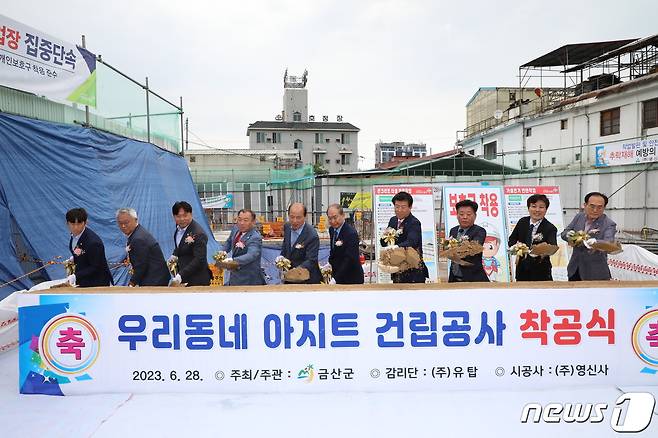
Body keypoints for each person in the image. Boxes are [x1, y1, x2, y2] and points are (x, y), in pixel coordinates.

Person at [561, 192, 617, 281]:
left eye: (599, 207)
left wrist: (595, 242)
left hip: (595, 272)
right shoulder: (579, 216)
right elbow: (564, 233)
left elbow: (609, 243)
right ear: (585, 205)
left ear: (604, 208)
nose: (595, 210)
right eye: (592, 206)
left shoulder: (609, 224)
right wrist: (569, 235)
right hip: (574, 268)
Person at [508, 194, 558, 281]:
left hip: (541, 271)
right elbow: (511, 240)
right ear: (528, 208)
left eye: (541, 207)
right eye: (533, 206)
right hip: (521, 270)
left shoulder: (550, 228)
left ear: (546, 209)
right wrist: (517, 247)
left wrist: (540, 250)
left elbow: (552, 247)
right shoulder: (522, 222)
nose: (537, 210)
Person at [381, 191, 428, 283]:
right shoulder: (393, 220)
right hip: (397, 269)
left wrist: (395, 247)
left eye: (403, 207)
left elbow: (411, 242)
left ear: (410, 207)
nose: (399, 210)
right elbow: (384, 242)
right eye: (397, 207)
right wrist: (385, 239)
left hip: (413, 270)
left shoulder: (414, 223)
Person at [116, 208, 170, 287]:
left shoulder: (138, 238)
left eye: (126, 222)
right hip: (154, 276)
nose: (123, 226)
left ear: (135, 220)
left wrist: (131, 283)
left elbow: (141, 265)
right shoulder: (137, 233)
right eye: (120, 223)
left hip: (154, 280)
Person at [65, 208, 113, 287]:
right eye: (73, 224)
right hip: (84, 281)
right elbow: (81, 251)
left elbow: (95, 266)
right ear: (67, 223)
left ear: (85, 223)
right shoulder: (74, 236)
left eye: (79, 224)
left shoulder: (93, 242)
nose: (76, 227)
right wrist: (75, 257)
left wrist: (75, 276)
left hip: (98, 283)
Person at [170, 201, 212, 286]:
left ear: (191, 214)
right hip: (185, 278)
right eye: (178, 216)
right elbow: (180, 245)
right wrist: (174, 255)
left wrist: (180, 275)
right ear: (174, 217)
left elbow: (199, 259)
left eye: (185, 216)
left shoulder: (199, 233)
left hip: (198, 279)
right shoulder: (178, 229)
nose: (182, 219)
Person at [448, 199, 489, 283]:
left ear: (475, 216)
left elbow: (473, 249)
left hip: (474, 279)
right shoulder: (453, 230)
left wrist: (454, 249)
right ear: (457, 215)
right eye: (461, 214)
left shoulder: (480, 231)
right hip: (454, 278)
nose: (465, 217)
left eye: (469, 214)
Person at [222, 208, 266, 286]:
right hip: (234, 277)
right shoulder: (235, 229)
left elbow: (251, 255)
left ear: (253, 222)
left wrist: (233, 260)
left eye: (246, 220)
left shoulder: (255, 237)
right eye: (239, 219)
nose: (242, 223)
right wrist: (223, 251)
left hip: (249, 280)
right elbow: (229, 241)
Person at [281, 203, 322, 284]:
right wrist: (281, 259)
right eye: (292, 217)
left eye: (298, 217)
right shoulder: (287, 227)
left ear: (305, 216)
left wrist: (295, 271)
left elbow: (311, 260)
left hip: (306, 280)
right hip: (288, 279)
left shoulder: (312, 235)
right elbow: (285, 248)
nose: (294, 221)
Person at [327, 204, 364, 284]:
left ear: (343, 215)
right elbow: (334, 250)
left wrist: (335, 279)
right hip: (337, 274)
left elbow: (350, 259)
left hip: (351, 278)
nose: (333, 221)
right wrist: (330, 262)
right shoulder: (331, 230)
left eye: (335, 217)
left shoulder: (351, 233)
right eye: (330, 218)